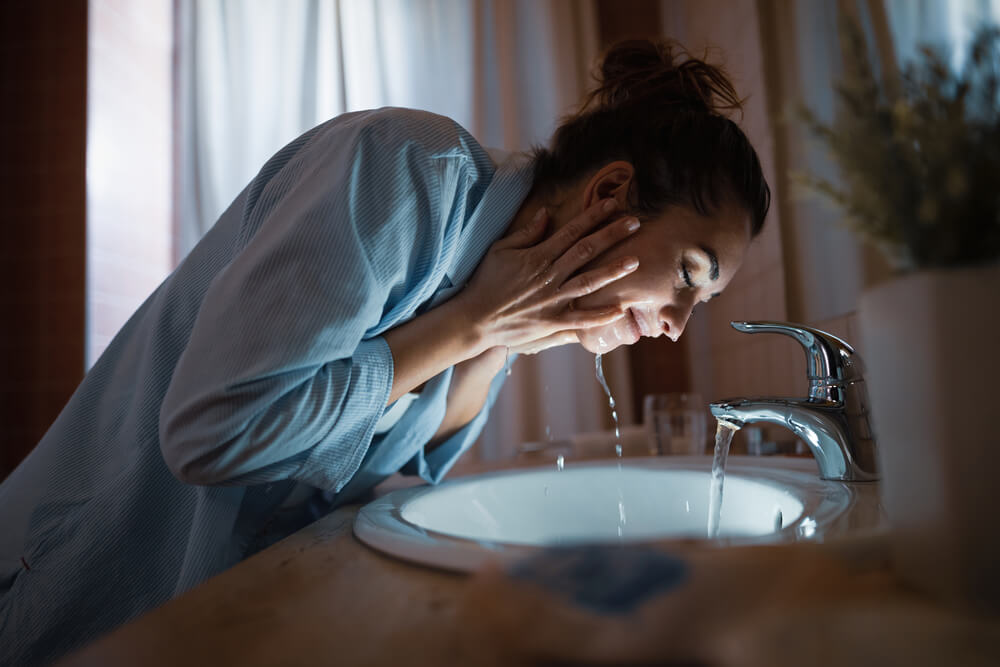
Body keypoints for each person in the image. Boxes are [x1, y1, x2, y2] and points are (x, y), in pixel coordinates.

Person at [0, 38, 769, 665]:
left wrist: (500, 330)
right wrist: (472, 321)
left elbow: (407, 469)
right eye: (688, 277)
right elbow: (212, 434)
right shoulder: (403, 169)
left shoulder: (501, 287)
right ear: (610, 195)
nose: (675, 323)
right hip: (77, 586)